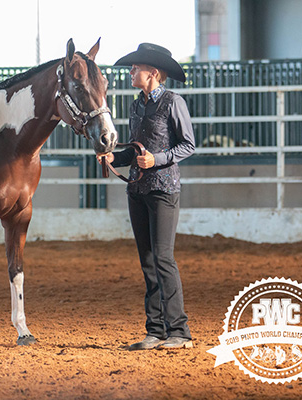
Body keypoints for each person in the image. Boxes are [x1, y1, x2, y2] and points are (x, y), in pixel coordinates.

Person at [100, 43, 195, 350]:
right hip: (138, 189)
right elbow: (136, 149)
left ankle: (179, 331)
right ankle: (155, 330)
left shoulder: (172, 102)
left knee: (164, 258)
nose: (130, 73)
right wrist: (115, 158)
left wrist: (159, 159)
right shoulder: (136, 105)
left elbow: (187, 145)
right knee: (148, 260)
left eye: (135, 68)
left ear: (152, 73)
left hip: (164, 189)